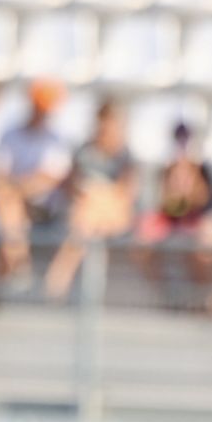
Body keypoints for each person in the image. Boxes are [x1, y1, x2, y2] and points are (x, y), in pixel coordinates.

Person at [43, 97, 137, 303]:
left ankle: (58, 281)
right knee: (86, 217)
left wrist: (98, 193)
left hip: (111, 215)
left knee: (91, 209)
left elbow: (126, 196)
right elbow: (71, 185)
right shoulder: (85, 151)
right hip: (85, 215)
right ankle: (74, 287)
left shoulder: (125, 156)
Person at [0, 78, 73, 291]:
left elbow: (48, 179)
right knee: (7, 206)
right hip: (13, 201)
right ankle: (18, 265)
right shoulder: (11, 135)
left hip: (44, 208)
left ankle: (15, 268)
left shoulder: (56, 139)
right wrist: (18, 187)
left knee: (8, 204)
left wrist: (18, 187)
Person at [131, 122, 212, 308]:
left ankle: (207, 300)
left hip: (196, 221)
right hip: (174, 220)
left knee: (203, 248)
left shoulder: (202, 169)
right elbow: (167, 206)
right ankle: (166, 296)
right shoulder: (167, 168)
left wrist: (190, 183)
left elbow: (206, 202)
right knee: (141, 244)